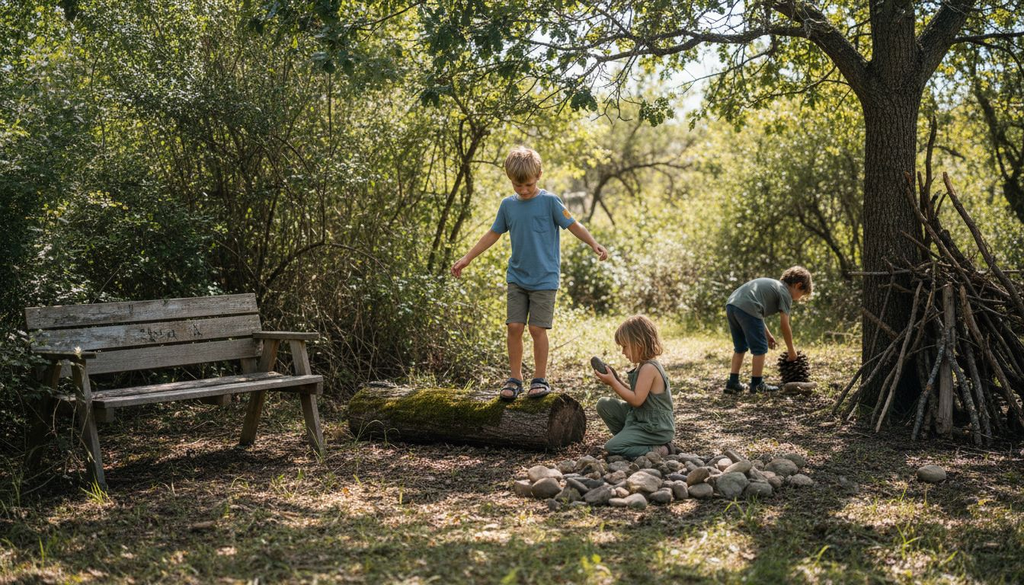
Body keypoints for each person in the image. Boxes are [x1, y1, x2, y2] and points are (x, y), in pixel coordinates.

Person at [451, 146, 608, 400]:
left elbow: (572, 224)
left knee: (536, 329)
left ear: (539, 175)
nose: (523, 190)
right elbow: (493, 233)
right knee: (514, 326)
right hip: (517, 277)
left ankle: (540, 379)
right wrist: (467, 258)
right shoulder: (507, 206)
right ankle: (514, 379)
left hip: (545, 278)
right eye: (517, 185)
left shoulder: (550, 201)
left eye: (528, 185)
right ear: (510, 179)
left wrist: (593, 243)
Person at [593, 315, 676, 458]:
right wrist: (617, 379)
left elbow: (637, 399)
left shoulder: (649, 368)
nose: (623, 352)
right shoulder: (642, 366)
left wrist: (613, 383)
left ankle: (660, 449)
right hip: (641, 419)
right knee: (604, 404)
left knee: (611, 447)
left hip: (655, 427)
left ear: (639, 344)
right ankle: (629, 441)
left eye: (625, 346)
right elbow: (637, 392)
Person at [724, 266, 813, 394]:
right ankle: (757, 384)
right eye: (802, 295)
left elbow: (757, 315)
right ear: (798, 285)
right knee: (760, 348)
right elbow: (784, 325)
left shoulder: (774, 285)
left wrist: (768, 335)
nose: (799, 299)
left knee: (740, 347)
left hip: (732, 305)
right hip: (748, 307)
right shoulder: (785, 293)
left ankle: (733, 382)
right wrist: (791, 351)